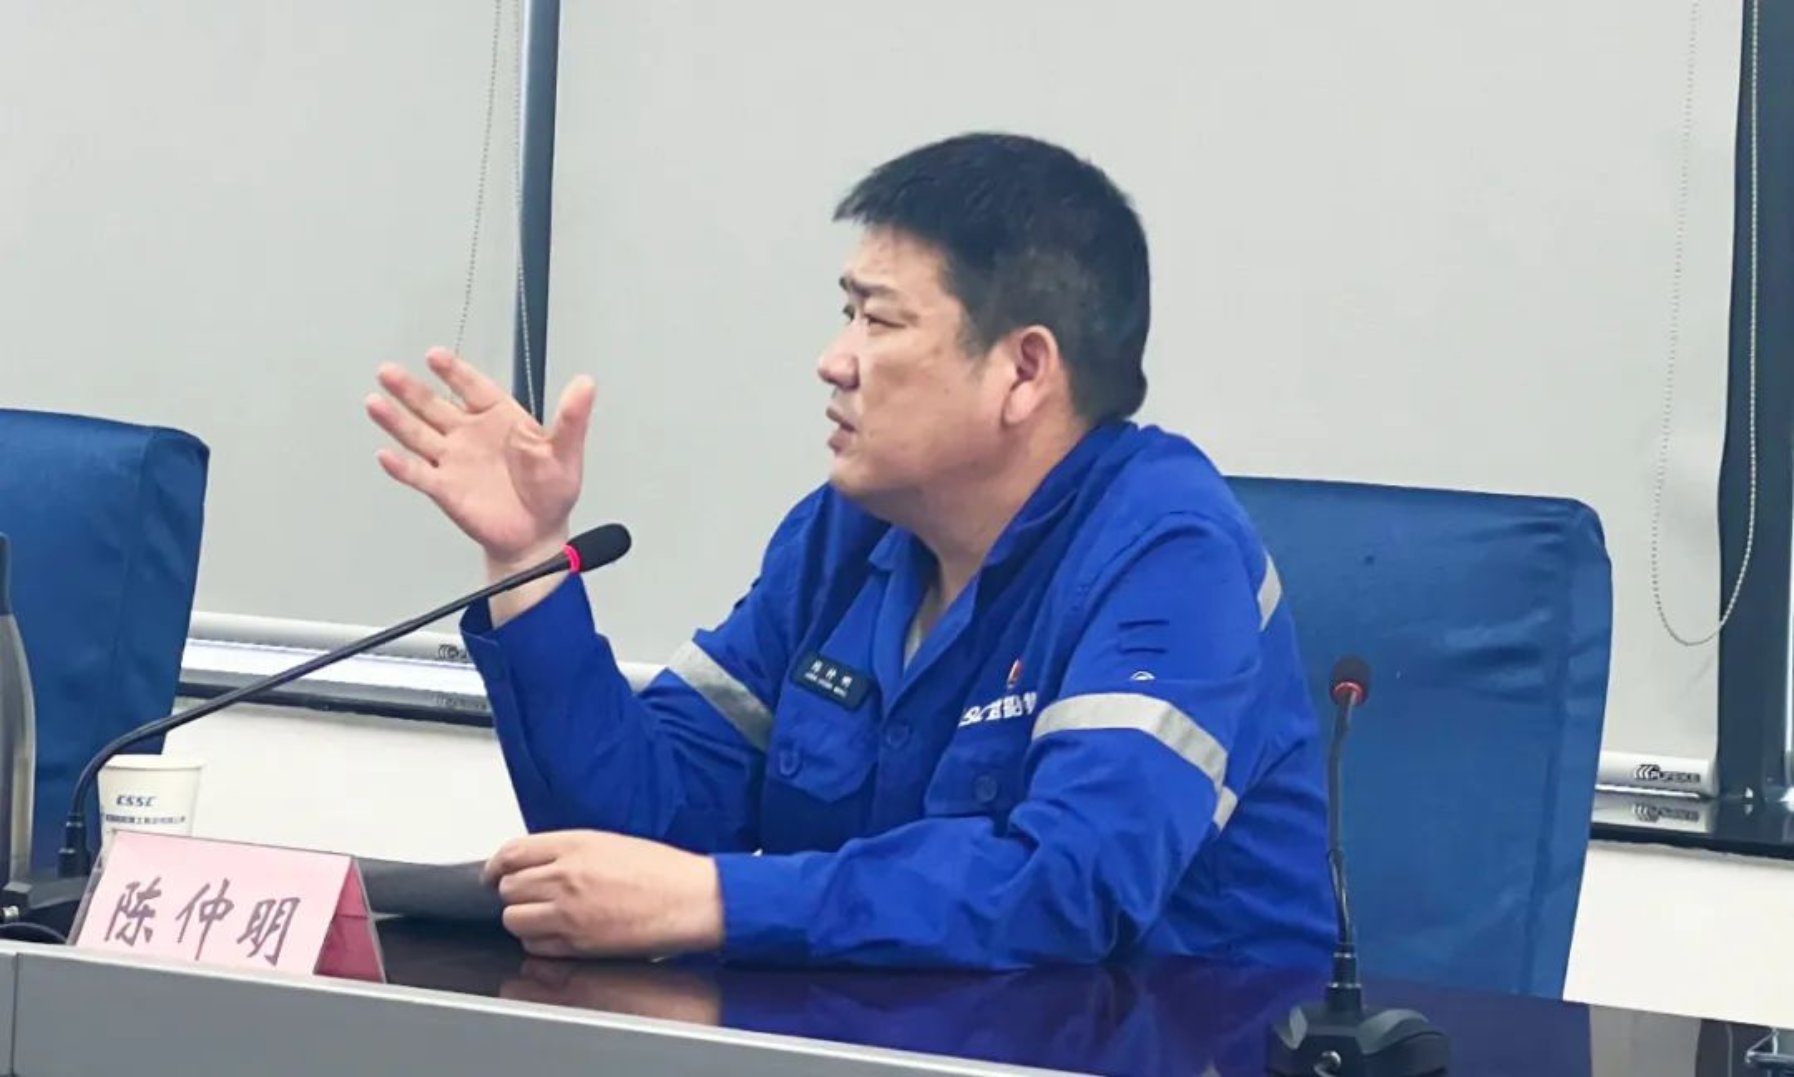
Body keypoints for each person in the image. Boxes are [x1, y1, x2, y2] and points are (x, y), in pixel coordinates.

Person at [365, 132, 1334, 970]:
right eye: (847, 314)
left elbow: (1069, 884)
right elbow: (640, 829)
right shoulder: (846, 533)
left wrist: (718, 900)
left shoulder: (1171, 551)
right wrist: (527, 558)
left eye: (879, 320)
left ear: (1023, 369)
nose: (834, 360)